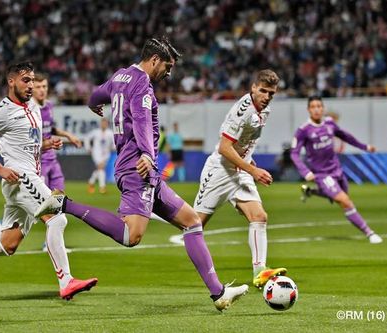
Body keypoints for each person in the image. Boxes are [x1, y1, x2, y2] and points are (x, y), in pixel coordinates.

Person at [35, 37, 249, 312]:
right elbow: (141, 121)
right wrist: (148, 154)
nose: (169, 73)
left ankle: (218, 292)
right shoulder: (143, 86)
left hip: (143, 170)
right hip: (138, 168)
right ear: (154, 60)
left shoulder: (121, 76)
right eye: (167, 66)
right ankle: (64, 204)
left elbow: (97, 94)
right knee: (131, 236)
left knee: (192, 221)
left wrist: (94, 103)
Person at [0, 62, 98, 300]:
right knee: (57, 218)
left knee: (7, 244)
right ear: (11, 81)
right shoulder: (2, 109)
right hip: (20, 177)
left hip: (26, 179)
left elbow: (28, 144)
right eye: (26, 80)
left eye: (33, 80)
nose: (31, 85)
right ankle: (66, 281)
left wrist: (45, 145)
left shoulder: (33, 107)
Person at [192, 69, 287, 289]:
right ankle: (156, 210)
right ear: (253, 87)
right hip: (220, 171)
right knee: (192, 225)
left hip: (240, 171)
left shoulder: (265, 111)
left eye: (270, 93)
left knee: (259, 216)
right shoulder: (242, 111)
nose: (266, 96)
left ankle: (260, 271)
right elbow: (225, 148)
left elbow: (244, 143)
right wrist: (253, 171)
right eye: (262, 91)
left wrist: (248, 163)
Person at [0, 72, 83, 252]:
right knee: (43, 206)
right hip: (36, 163)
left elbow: (51, 126)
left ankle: (50, 243)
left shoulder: (48, 106)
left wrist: (68, 135)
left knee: (58, 198)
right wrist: (45, 144)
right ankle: (7, 225)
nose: (42, 90)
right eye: (39, 87)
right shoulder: (29, 109)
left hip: (52, 160)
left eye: (45, 87)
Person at [290, 96, 383, 244]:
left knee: (340, 197)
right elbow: (294, 153)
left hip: (337, 170)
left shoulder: (329, 123)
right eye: (313, 107)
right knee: (345, 201)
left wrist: (365, 147)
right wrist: (305, 171)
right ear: (308, 110)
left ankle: (311, 191)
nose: (316, 109)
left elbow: (346, 136)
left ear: (323, 108)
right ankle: (370, 233)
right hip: (321, 174)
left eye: (319, 106)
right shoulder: (303, 130)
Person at [86, 118, 115, 194]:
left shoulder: (110, 133)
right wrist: (88, 147)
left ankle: (91, 182)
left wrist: (113, 147)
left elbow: (115, 143)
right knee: (101, 168)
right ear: (100, 124)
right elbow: (87, 138)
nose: (103, 124)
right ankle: (102, 187)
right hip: (96, 153)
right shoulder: (96, 132)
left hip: (106, 154)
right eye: (102, 123)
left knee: (100, 169)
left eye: (105, 123)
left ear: (107, 124)